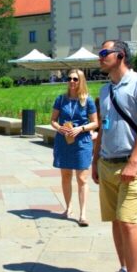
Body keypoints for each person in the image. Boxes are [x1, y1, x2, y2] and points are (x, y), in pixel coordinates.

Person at [91, 40, 137, 272]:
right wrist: (95, 160)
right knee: (116, 222)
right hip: (107, 163)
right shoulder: (105, 89)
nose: (100, 57)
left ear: (120, 55)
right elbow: (103, 128)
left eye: (103, 53)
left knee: (128, 221)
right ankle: (123, 270)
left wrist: (133, 161)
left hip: (133, 165)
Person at [50, 69, 98, 226]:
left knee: (82, 178)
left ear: (81, 81)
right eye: (69, 78)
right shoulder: (61, 99)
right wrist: (60, 128)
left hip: (82, 142)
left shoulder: (87, 100)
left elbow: (95, 123)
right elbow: (53, 120)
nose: (71, 81)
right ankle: (68, 207)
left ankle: (83, 214)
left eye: (75, 79)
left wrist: (81, 128)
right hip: (64, 141)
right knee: (65, 176)